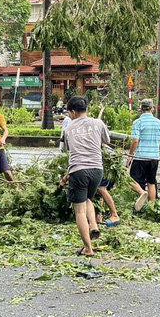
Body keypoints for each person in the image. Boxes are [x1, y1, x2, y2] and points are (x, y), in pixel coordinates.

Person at [58, 95, 110, 257]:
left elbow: (64, 149)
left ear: (73, 112)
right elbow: (106, 141)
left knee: (79, 210)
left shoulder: (68, 129)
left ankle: (88, 248)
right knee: (87, 198)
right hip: (97, 169)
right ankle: (94, 226)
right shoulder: (98, 123)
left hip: (78, 170)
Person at [127, 98, 160, 211]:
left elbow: (135, 141)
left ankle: (141, 195)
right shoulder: (159, 123)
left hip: (140, 157)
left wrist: (130, 155)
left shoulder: (137, 122)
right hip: (154, 158)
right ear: (152, 109)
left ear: (141, 110)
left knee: (131, 180)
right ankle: (151, 208)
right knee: (151, 182)